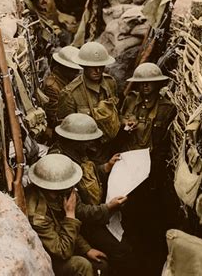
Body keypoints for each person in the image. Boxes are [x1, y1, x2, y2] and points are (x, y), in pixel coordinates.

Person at [49, 113, 136, 276]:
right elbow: (77, 211)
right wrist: (108, 208)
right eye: (87, 140)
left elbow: (89, 173)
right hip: (81, 225)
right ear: (75, 140)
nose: (91, 143)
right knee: (122, 251)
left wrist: (105, 168)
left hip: (94, 212)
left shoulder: (76, 151)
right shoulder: (60, 165)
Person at [118, 62, 177, 275]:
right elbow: (119, 134)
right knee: (129, 214)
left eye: (149, 83)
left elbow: (164, 145)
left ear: (158, 84)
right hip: (128, 166)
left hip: (151, 171)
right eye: (141, 83)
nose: (145, 87)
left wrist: (154, 172)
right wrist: (124, 128)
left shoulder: (166, 108)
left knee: (150, 217)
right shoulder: (130, 102)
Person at [26, 154, 127, 276]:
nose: (69, 191)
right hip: (48, 259)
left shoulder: (58, 193)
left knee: (102, 265)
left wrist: (86, 249)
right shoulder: (37, 215)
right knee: (82, 265)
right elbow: (62, 251)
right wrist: (70, 215)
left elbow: (61, 226)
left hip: (64, 242)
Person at [57, 41, 120, 163]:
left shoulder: (110, 83)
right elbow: (65, 134)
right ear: (83, 65)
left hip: (110, 149)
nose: (97, 70)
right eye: (92, 66)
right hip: (86, 156)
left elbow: (117, 112)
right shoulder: (70, 93)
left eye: (101, 66)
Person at [42, 46, 82, 141]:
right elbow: (53, 115)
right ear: (63, 67)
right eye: (73, 69)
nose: (76, 72)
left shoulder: (65, 80)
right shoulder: (52, 86)